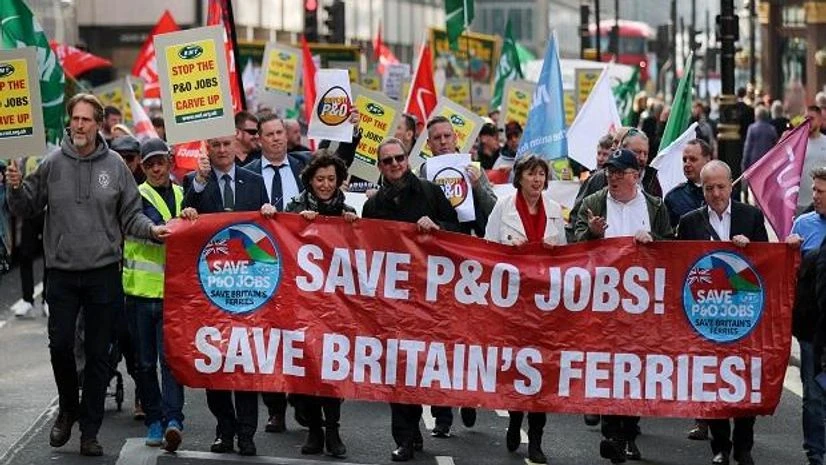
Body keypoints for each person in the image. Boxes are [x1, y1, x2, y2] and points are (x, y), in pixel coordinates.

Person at [5, 93, 170, 457]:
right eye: (75, 119)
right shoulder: (52, 163)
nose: (79, 125)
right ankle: (68, 408)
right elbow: (26, 206)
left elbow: (131, 215)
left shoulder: (116, 166)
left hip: (103, 275)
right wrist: (14, 186)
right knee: (61, 346)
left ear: (98, 124)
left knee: (98, 356)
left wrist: (152, 230)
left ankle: (90, 431)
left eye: (85, 120)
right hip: (62, 274)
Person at [362, 137, 459, 462]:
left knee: (421, 365)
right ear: (380, 166)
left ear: (408, 159)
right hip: (391, 299)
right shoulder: (373, 206)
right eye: (387, 161)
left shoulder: (430, 193)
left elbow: (459, 235)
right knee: (396, 368)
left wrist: (438, 227)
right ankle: (404, 436)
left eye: (399, 158)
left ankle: (423, 417)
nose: (394, 164)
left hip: (429, 296)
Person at [573, 149, 673, 463]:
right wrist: (591, 233)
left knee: (635, 369)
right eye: (610, 172)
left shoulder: (654, 206)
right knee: (607, 366)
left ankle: (629, 431)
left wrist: (653, 239)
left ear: (635, 175)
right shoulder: (594, 203)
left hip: (642, 304)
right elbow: (573, 247)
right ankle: (612, 434)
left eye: (620, 172)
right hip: (603, 302)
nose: (613, 178)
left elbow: (671, 247)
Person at [182, 134, 273, 456]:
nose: (222, 150)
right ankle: (225, 428)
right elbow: (184, 219)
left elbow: (268, 232)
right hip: (211, 289)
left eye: (226, 144)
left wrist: (269, 212)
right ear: (207, 149)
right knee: (215, 363)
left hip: (248, 290)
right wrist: (199, 184)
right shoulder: (194, 181)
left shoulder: (255, 181)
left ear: (235, 145)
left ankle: (247, 434)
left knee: (245, 363)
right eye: (215, 145)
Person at [677, 160, 767, 465]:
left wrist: (751, 248)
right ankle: (720, 447)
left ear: (731, 185)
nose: (716, 194)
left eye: (721, 187)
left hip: (744, 315)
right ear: (702, 190)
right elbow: (680, 268)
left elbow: (767, 262)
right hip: (706, 316)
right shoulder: (690, 222)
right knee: (712, 380)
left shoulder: (751, 216)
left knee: (744, 379)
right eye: (709, 188)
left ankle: (743, 446)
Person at [484, 155, 566, 464]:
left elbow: (566, 259)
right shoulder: (502, 207)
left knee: (542, 370)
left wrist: (555, 253)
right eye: (531, 174)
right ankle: (515, 417)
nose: (537, 180)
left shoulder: (555, 210)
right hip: (513, 303)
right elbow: (486, 250)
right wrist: (509, 253)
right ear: (519, 178)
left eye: (541, 174)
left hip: (545, 304)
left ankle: (536, 438)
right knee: (518, 367)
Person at [284, 151, 356, 458]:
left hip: (336, 305)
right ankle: (314, 430)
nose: (325, 185)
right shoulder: (294, 208)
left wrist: (354, 227)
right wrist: (295, 224)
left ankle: (333, 431)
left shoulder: (348, 211)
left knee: (332, 368)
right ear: (310, 181)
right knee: (307, 369)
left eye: (331, 179)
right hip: (302, 304)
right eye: (320, 179)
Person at [122, 138, 189, 452]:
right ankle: (154, 419)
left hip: (173, 295)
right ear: (143, 166)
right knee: (145, 364)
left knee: (171, 362)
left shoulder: (183, 194)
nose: (156, 169)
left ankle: (173, 420)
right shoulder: (136, 195)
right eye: (150, 164)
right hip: (140, 293)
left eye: (160, 162)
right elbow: (142, 224)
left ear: (169, 162)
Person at [788, 167, 826, 465]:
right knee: (813, 394)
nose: (815, 196)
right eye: (814, 190)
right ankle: (816, 453)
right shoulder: (802, 225)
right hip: (812, 327)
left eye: (821, 191)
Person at [419, 115, 497, 238]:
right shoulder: (423, 173)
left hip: (470, 240)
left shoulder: (473, 168)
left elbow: (495, 210)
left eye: (447, 136)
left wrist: (478, 186)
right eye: (437, 138)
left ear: (455, 138)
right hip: (438, 239)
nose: (443, 141)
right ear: (429, 144)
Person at [665, 138, 713, 228]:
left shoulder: (724, 193)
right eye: (684, 160)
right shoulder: (673, 198)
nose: (687, 164)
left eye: (693, 159)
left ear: (707, 161)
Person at [800, 107, 826, 215]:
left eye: (811, 118)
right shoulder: (797, 143)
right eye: (805, 118)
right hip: (798, 202)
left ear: (820, 121)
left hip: (821, 204)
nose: (808, 122)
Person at [742, 105, 778, 174]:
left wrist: (744, 163)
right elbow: (775, 146)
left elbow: (748, 147)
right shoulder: (771, 129)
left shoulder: (752, 128)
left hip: (754, 162)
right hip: (767, 161)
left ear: (756, 116)